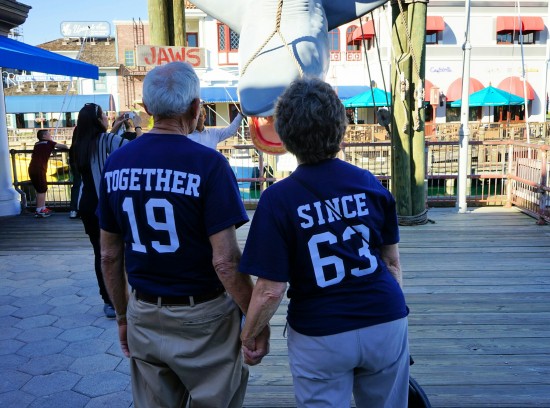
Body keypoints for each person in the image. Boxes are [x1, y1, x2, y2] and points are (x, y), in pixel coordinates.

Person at [98, 61, 268, 407]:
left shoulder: (117, 164)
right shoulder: (209, 165)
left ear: (146, 109)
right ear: (195, 107)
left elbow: (109, 255)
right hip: (203, 316)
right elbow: (225, 260)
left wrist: (121, 314)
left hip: (144, 311)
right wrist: (254, 322)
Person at [239, 77, 410, 407]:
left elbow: (270, 290)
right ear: (341, 129)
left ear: (286, 136)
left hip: (320, 332)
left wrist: (250, 334)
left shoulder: (277, 200)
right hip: (385, 319)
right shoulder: (371, 185)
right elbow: (391, 264)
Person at [71, 105, 129, 318]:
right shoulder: (105, 140)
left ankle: (108, 301)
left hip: (86, 204)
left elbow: (103, 141)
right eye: (104, 115)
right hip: (106, 204)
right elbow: (131, 146)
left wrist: (114, 127)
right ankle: (126, 296)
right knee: (120, 251)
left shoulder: (78, 143)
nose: (107, 117)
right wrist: (136, 127)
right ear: (97, 120)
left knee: (101, 254)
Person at [28, 129, 68, 218]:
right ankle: (39, 210)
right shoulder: (49, 143)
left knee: (41, 188)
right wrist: (53, 142)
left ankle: (42, 207)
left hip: (32, 168)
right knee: (41, 189)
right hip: (39, 168)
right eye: (49, 134)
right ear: (44, 136)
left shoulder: (37, 144)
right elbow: (64, 146)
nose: (50, 135)